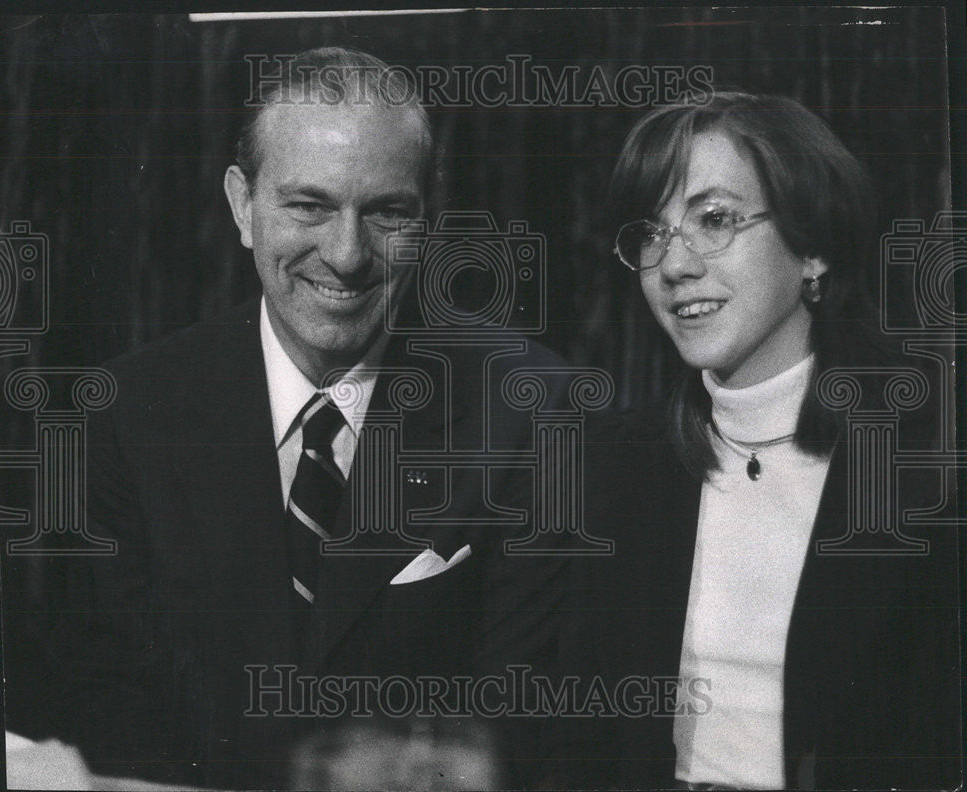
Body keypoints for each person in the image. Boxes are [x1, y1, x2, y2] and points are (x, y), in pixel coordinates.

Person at [47, 47, 569, 790]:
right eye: (309, 205)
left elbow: (519, 729)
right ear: (241, 205)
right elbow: (118, 712)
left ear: (427, 218)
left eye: (387, 211)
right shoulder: (128, 413)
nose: (348, 254)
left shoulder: (531, 411)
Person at [572, 92, 960, 789]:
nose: (674, 266)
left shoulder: (931, 461)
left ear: (812, 247)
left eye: (713, 219)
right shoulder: (618, 463)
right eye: (651, 234)